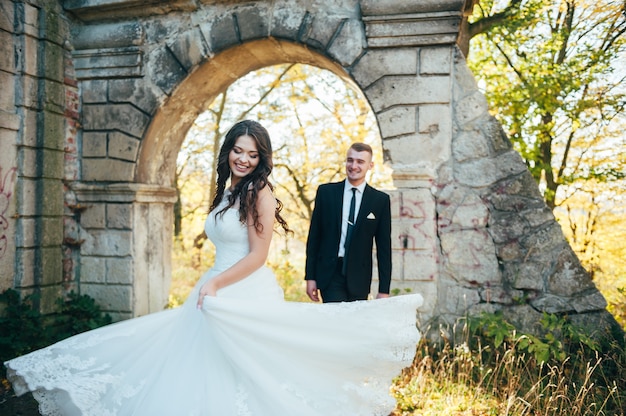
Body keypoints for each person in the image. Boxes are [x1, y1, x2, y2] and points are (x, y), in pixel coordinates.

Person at [4, 120, 422, 416]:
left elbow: (258, 255)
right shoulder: (227, 189)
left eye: (251, 153)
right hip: (213, 287)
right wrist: (211, 282)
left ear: (261, 158)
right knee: (192, 369)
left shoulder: (262, 191)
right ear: (229, 153)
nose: (243, 158)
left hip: (242, 291)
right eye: (237, 151)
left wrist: (216, 283)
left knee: (247, 377)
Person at [305, 143, 392, 303]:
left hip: (360, 277)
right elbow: (314, 238)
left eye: (360, 162)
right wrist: (310, 277)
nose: (353, 166)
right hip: (330, 274)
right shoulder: (326, 193)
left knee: (353, 325)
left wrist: (383, 290)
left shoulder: (380, 201)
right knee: (337, 320)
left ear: (370, 165)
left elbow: (384, 248)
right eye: (350, 160)